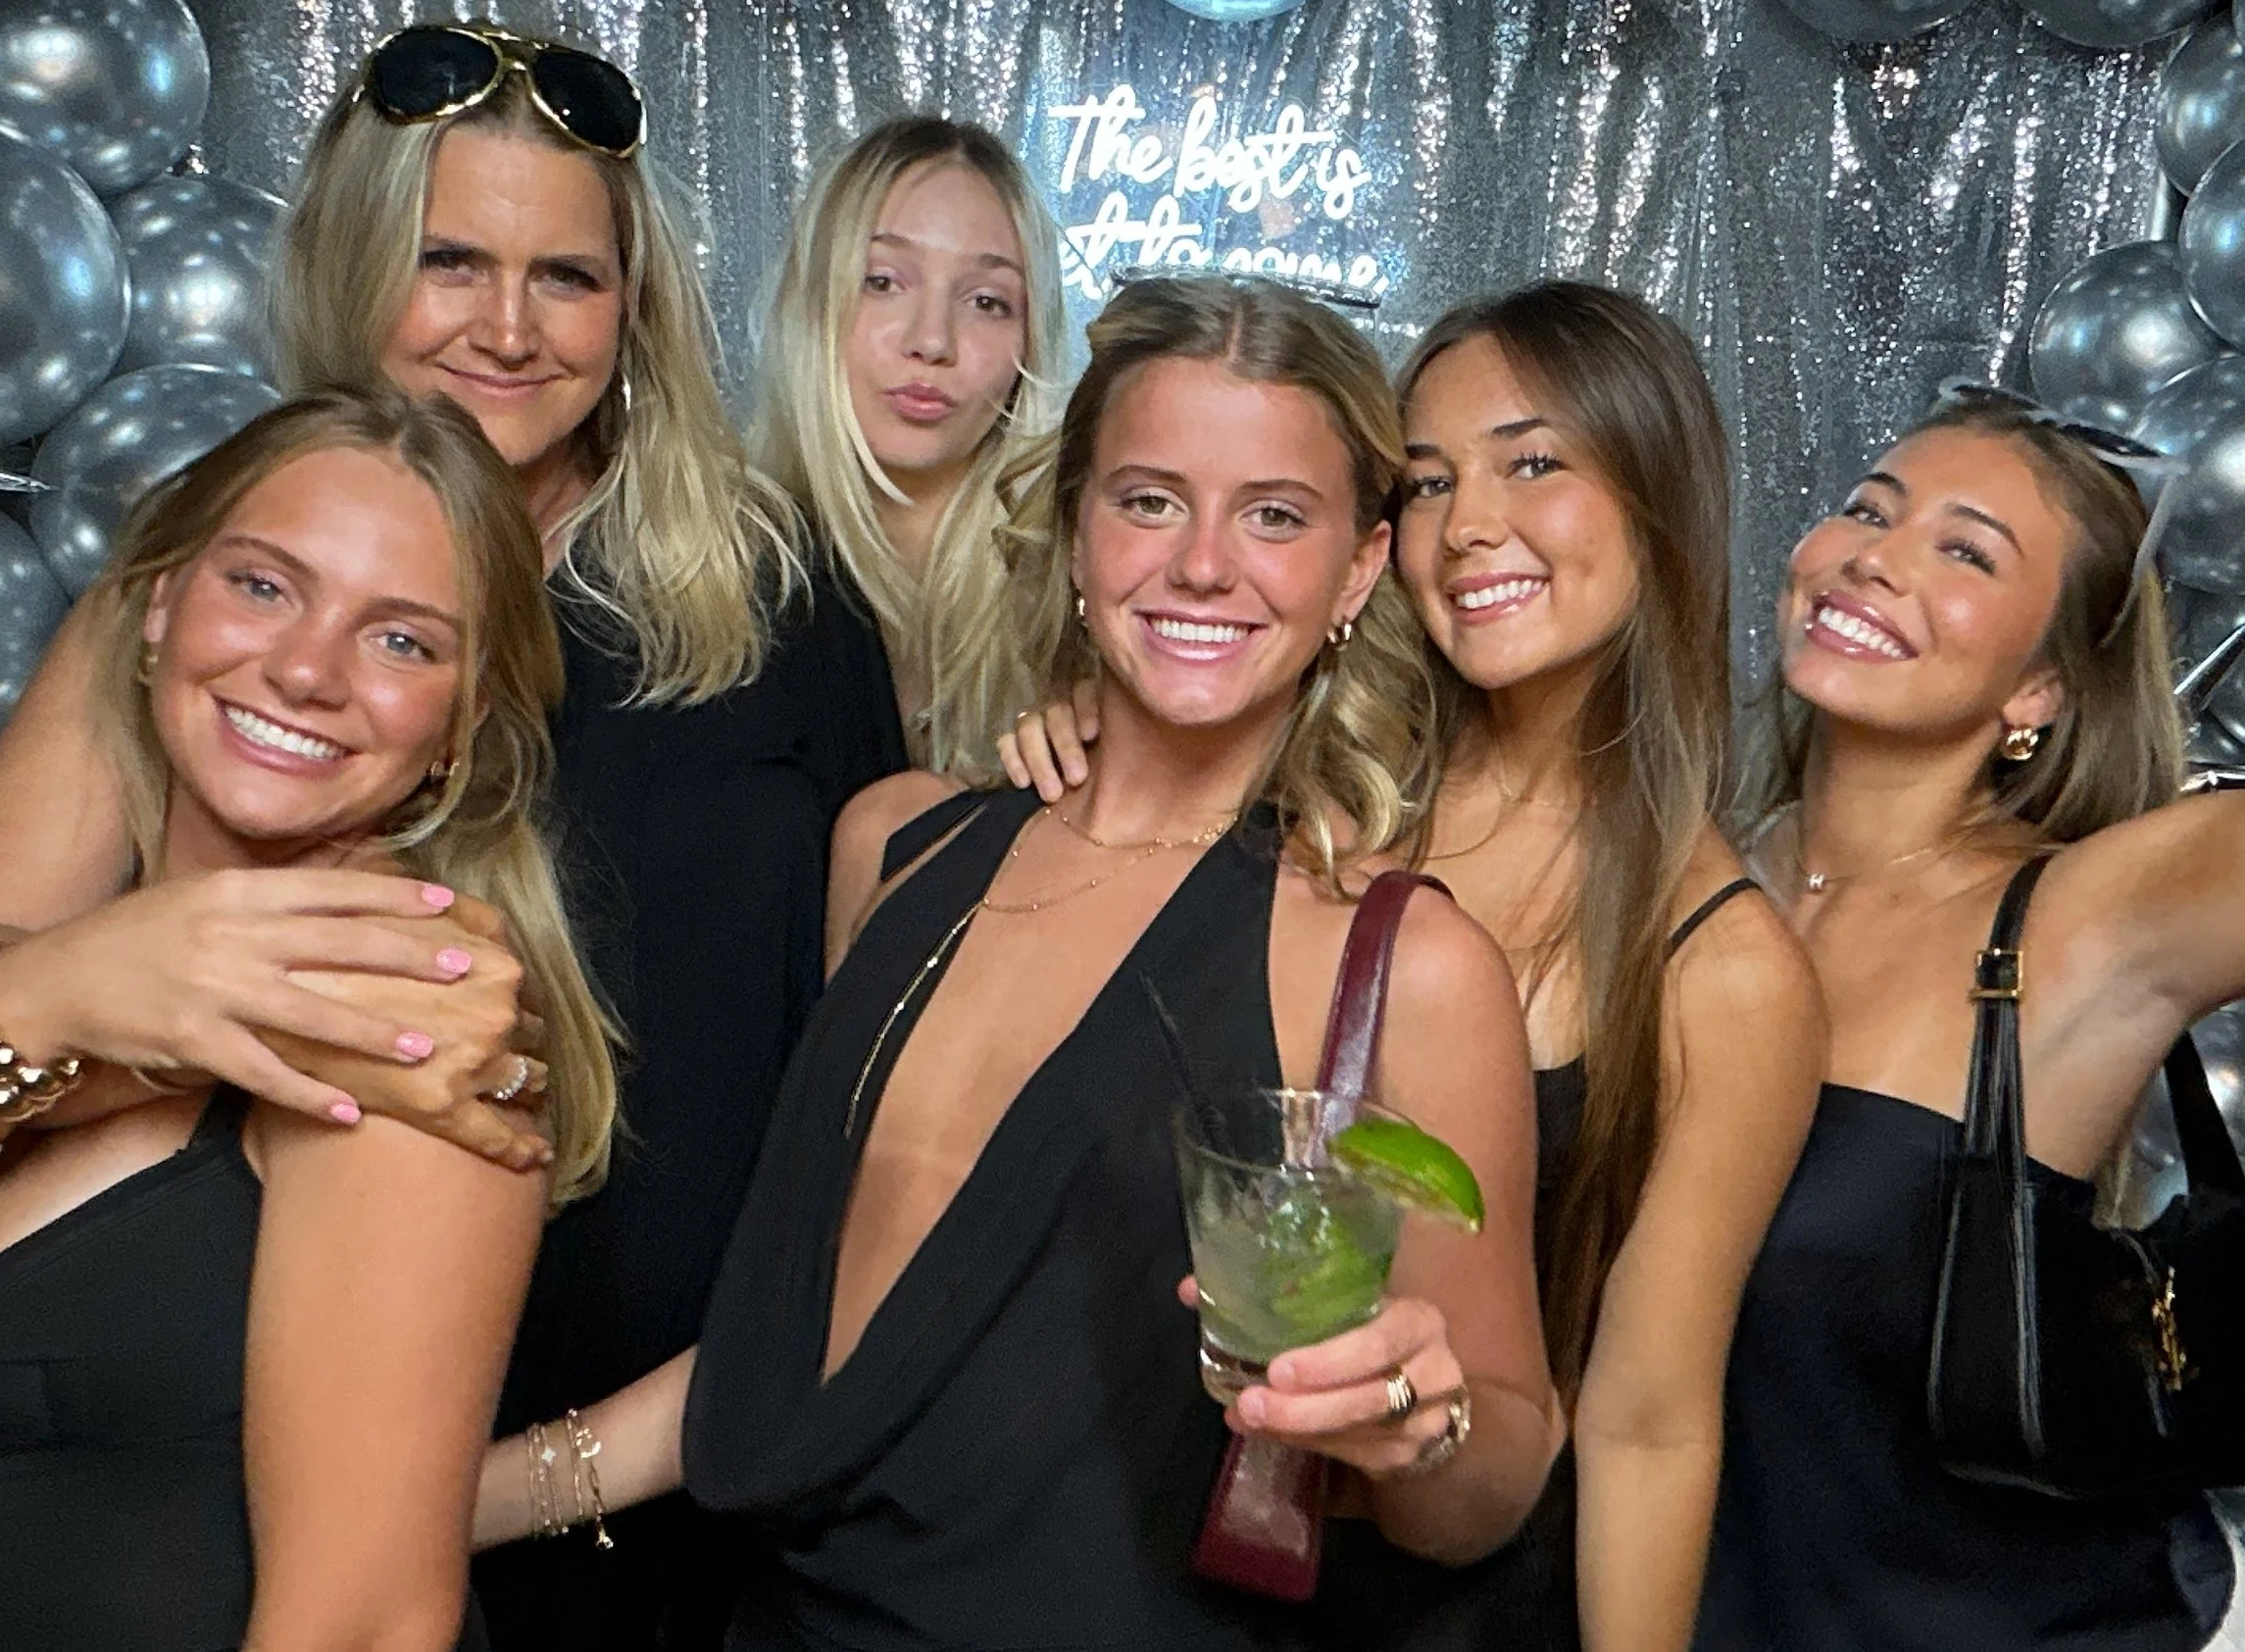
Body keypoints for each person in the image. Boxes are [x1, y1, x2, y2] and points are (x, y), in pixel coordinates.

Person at [0, 23, 909, 1652]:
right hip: (213, 1443)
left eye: (566, 276)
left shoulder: (783, 605)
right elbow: (4, 953)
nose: (506, 328)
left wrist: (562, 1474)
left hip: (663, 1490)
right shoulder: (201, 590)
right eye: (448, 261)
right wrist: (84, 980)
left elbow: (874, 1111)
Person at [477, 275, 1561, 1648]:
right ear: (1073, 531)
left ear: (1358, 567)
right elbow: (788, 1356)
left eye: (1275, 514)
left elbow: (1496, 1478)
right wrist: (440, 1500)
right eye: (1150, 498)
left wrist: (1417, 1418)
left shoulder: (1398, 961)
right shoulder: (897, 850)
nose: (1204, 562)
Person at [1005, 282, 1825, 1651]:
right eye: (1430, 480)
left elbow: (1647, 1416)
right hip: (1136, 1545)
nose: (1471, 526)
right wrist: (1085, 725)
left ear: (1659, 487)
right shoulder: (1321, 780)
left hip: (1440, 1594)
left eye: (1533, 461)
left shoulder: (1722, 967)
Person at [1693, 385, 2245, 1650]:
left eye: (1962, 550)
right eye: (1865, 510)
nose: (1876, 558)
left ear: (2041, 688)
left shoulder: (2085, 919)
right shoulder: (1699, 876)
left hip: (2082, 1627)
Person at [0, 388, 621, 1651]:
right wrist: (54, 999)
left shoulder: (413, 1019)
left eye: (403, 644)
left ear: (457, 729)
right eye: (264, 587)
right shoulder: (66, 964)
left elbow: (366, 1625)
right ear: (153, 609)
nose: (309, 671)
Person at [751, 115, 1068, 771]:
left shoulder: (1079, 602)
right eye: (883, 281)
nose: (931, 340)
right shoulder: (715, 578)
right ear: (812, 300)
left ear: (1030, 339)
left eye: (986, 301)